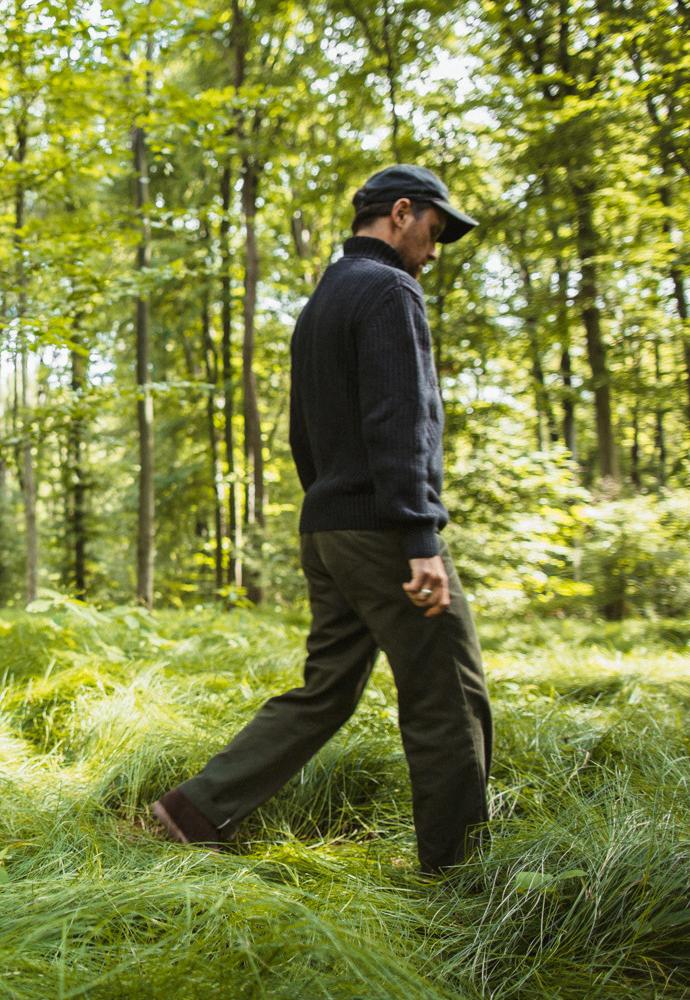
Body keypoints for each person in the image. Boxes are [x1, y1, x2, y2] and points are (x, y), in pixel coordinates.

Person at [151, 164, 493, 875]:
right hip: (383, 530)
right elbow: (404, 420)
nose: (435, 252)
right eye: (434, 232)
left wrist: (329, 511)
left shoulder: (324, 300)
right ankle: (461, 874)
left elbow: (301, 432)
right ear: (402, 213)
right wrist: (420, 536)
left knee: (326, 691)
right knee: (449, 695)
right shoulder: (390, 288)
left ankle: (194, 810)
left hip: (328, 527)